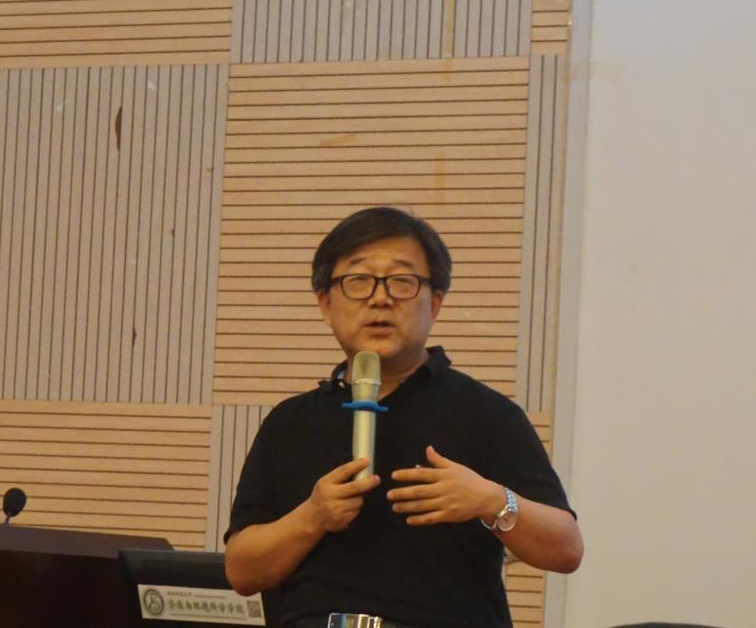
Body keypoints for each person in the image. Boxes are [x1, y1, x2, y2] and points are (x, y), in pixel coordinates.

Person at [224, 206, 583, 628]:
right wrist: (312, 517)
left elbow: (566, 550)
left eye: (401, 281)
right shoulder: (289, 423)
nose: (380, 298)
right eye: (358, 280)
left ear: (435, 303)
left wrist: (490, 500)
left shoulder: (487, 414)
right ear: (325, 304)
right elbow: (241, 572)